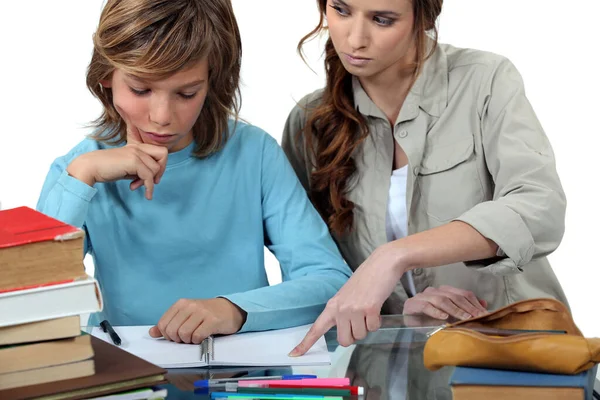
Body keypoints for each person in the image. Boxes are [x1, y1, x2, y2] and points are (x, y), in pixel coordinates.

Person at [37, 0, 352, 344]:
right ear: (106, 76)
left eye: (186, 93)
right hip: (133, 384)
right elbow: (30, 295)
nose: (161, 116)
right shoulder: (78, 170)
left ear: (212, 83)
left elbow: (329, 280)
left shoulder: (254, 153)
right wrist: (82, 176)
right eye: (140, 89)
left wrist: (233, 310)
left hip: (242, 382)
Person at [283, 0, 568, 355]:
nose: (354, 38)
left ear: (426, 17)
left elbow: (540, 208)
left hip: (517, 355)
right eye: (341, 10)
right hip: (392, 368)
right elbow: (319, 271)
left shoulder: (485, 80)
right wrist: (401, 312)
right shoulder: (310, 124)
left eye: (382, 19)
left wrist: (395, 256)